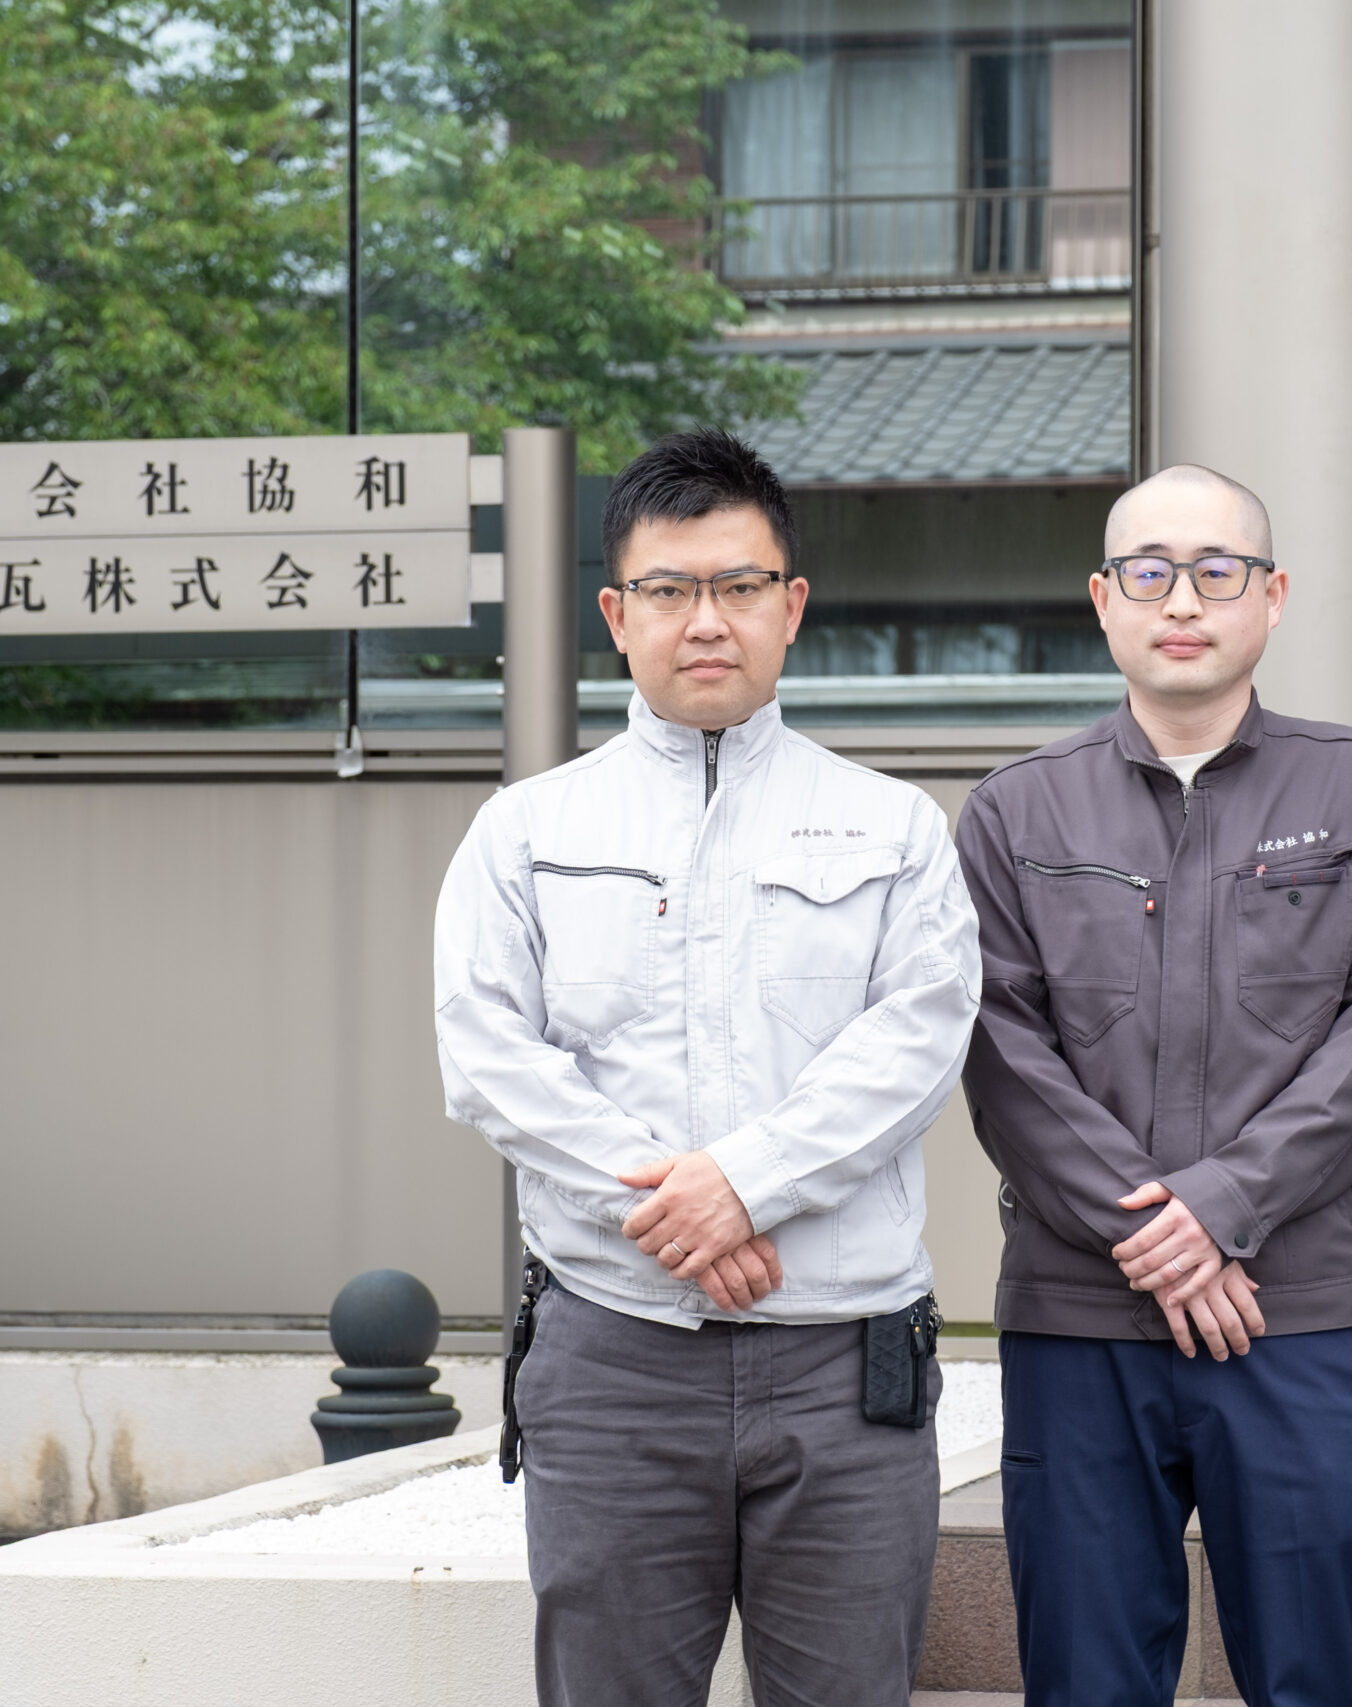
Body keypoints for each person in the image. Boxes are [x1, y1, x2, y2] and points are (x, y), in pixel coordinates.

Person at [431, 429, 982, 1707]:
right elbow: (487, 1056)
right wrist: (681, 1210)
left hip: (843, 1361)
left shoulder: (896, 826)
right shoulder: (527, 831)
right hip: (614, 1356)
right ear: (616, 615)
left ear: (791, 605)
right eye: (670, 589)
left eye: (740, 585)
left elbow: (917, 1041)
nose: (706, 621)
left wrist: (743, 1183)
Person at [955, 464, 1352, 1707]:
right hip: (1080, 1322)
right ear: (1101, 599)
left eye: (1217, 573)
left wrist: (1221, 1209)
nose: (1182, 602)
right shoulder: (1013, 812)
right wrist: (1163, 1237)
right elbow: (1001, 1055)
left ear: (1272, 596)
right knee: (1086, 1679)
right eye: (1150, 572)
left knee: (1314, 1677)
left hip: (1294, 1310)